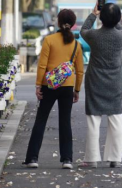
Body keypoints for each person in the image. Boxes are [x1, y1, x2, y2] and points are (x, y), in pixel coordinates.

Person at [24, 9, 84, 170]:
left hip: (48, 85)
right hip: (67, 86)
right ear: (73, 24)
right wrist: (77, 89)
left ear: (58, 22)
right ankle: (67, 159)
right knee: (65, 122)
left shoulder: (49, 40)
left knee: (41, 120)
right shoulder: (76, 45)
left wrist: (38, 85)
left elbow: (42, 65)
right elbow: (79, 70)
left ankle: (32, 158)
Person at [80, 2, 122, 169]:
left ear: (101, 17)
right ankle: (115, 158)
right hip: (115, 81)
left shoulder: (93, 35)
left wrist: (94, 14)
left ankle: (92, 159)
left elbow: (83, 30)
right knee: (116, 119)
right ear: (118, 19)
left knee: (93, 119)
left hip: (95, 80)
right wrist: (116, 19)